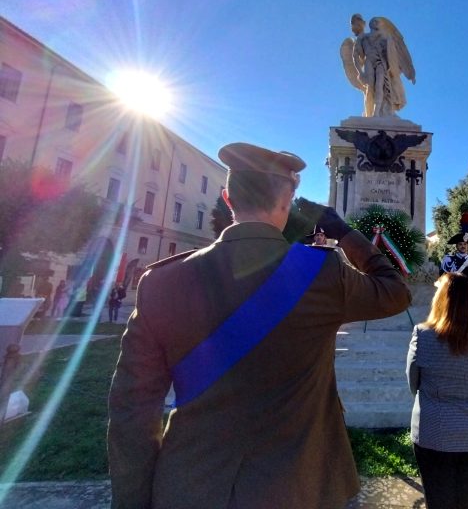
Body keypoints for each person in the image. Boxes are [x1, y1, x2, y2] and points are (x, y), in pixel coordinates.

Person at [108, 142, 411, 509]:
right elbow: (395, 291)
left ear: (228, 199)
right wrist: (345, 233)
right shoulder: (322, 273)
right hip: (294, 489)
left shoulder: (160, 282)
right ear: (287, 200)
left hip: (190, 487)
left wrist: (135, 502)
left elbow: (131, 410)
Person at [407, 272, 468, 509]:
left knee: (439, 501)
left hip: (436, 431)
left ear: (439, 300)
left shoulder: (423, 335)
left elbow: (413, 382)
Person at [440, 232, 468, 300]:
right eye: (460, 244)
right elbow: (442, 279)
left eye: (465, 244)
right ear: (457, 246)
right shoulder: (448, 260)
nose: (463, 246)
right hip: (453, 295)